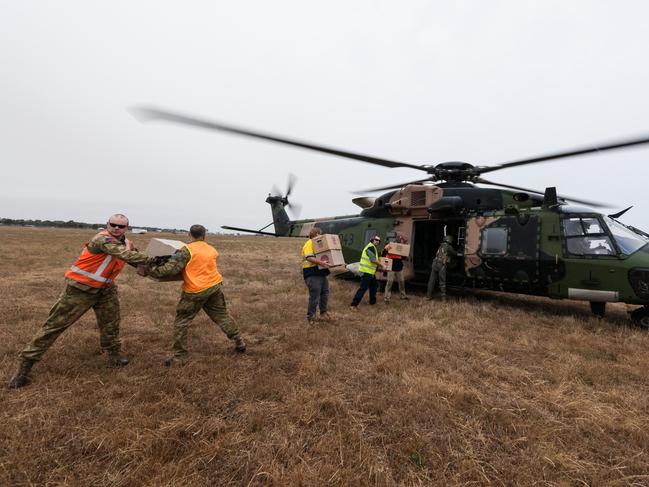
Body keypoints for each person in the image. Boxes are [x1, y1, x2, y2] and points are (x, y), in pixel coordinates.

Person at [8, 214, 154, 389]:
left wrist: (163, 269)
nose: (116, 228)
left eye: (121, 226)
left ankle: (114, 356)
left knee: (111, 324)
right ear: (106, 224)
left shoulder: (127, 243)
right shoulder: (102, 240)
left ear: (127, 228)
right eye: (113, 224)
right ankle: (24, 367)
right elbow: (125, 254)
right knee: (54, 326)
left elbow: (135, 261)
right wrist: (155, 258)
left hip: (105, 290)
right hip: (80, 290)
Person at [146, 224, 246, 366]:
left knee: (182, 321)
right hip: (215, 286)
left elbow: (168, 271)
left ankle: (180, 355)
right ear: (204, 235)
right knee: (222, 315)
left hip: (195, 290)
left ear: (189, 234)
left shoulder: (186, 250)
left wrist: (150, 269)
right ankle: (239, 341)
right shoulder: (212, 249)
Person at [301, 227, 332, 323]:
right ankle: (311, 317)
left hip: (321, 273)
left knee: (325, 294)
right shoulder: (310, 243)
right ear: (317, 234)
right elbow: (309, 257)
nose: (322, 236)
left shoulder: (318, 244)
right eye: (321, 234)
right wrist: (322, 263)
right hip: (312, 273)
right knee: (315, 297)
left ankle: (323, 314)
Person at [350, 235, 384, 309]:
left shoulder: (373, 247)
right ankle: (353, 305)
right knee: (362, 289)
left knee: (374, 287)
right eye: (376, 240)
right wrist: (382, 265)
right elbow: (373, 260)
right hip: (366, 272)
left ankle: (372, 302)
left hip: (371, 272)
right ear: (372, 240)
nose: (378, 241)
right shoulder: (370, 247)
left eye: (379, 240)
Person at [426, 235, 457, 300]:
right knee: (442, 281)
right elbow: (454, 254)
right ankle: (443, 298)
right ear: (450, 240)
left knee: (431, 281)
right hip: (441, 265)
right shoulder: (449, 247)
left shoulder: (441, 245)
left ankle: (428, 296)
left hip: (434, 264)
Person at [382, 234, 409, 303]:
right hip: (391, 267)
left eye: (401, 240)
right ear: (397, 240)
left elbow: (403, 258)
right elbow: (383, 254)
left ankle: (403, 296)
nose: (401, 241)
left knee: (402, 282)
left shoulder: (401, 248)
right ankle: (386, 298)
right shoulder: (389, 246)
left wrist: (405, 254)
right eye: (400, 240)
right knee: (389, 283)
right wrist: (386, 249)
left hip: (399, 267)